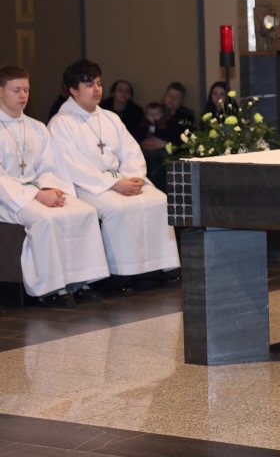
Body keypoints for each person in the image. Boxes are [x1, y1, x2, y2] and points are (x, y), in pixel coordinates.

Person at [48, 60, 181, 293]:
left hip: (122, 179)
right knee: (118, 209)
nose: (97, 90)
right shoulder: (61, 123)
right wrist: (114, 184)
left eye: (99, 84)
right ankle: (121, 274)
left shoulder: (110, 117)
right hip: (89, 186)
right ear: (73, 90)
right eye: (89, 85)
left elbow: (131, 151)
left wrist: (133, 177)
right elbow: (72, 165)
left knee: (159, 200)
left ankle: (158, 267)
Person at [0, 65, 109, 308]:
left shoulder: (36, 127)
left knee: (84, 211)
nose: (23, 95)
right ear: (0, 91)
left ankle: (81, 282)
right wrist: (36, 194)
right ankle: (49, 289)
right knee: (45, 220)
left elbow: (49, 166)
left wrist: (51, 190)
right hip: (9, 199)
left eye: (27, 90)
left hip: (38, 191)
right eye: (16, 90)